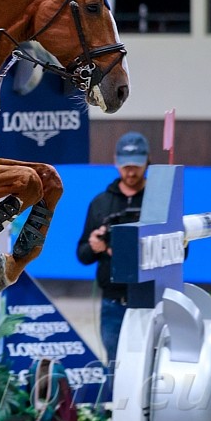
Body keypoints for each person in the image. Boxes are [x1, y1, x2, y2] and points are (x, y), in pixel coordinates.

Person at [76, 131, 150, 368]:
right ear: (116, 163)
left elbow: (181, 251)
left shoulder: (159, 200)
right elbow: (82, 254)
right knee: (115, 364)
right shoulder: (100, 203)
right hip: (112, 300)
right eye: (126, 166)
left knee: (150, 363)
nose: (131, 172)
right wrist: (97, 246)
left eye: (136, 166)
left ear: (147, 161)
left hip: (150, 298)